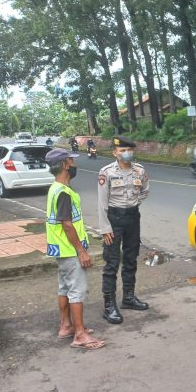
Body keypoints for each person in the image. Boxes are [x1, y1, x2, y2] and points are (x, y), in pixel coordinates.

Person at [45, 148, 105, 350]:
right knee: (77, 291)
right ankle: (80, 335)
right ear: (65, 164)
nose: (75, 164)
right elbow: (67, 224)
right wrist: (81, 251)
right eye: (72, 161)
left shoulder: (55, 188)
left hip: (61, 250)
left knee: (65, 288)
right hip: (70, 250)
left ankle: (66, 326)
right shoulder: (63, 192)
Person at [98, 136, 150, 324]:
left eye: (129, 150)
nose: (126, 153)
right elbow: (102, 202)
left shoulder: (140, 170)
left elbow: (145, 190)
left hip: (133, 218)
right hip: (114, 220)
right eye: (122, 150)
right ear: (115, 153)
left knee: (131, 259)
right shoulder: (107, 172)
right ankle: (109, 306)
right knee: (112, 262)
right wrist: (105, 228)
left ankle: (128, 297)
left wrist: (133, 203)